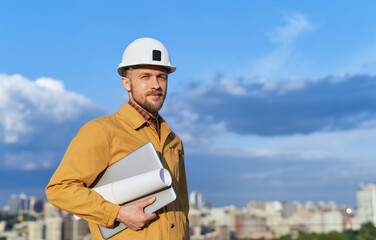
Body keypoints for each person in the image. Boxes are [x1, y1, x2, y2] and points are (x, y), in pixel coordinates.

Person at [45, 37, 190, 240]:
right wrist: (118, 214)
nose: (155, 85)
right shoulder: (102, 131)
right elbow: (59, 190)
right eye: (145, 77)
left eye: (162, 77)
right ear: (126, 83)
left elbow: (182, 207)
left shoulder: (174, 141)